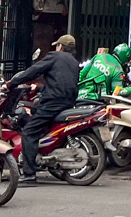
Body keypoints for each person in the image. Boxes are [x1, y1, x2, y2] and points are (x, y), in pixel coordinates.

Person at [5, 34, 81, 184]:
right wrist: (40, 88)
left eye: (57, 45)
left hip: (53, 102)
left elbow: (33, 71)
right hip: (67, 101)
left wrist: (11, 83)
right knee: (34, 111)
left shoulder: (54, 56)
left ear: (61, 46)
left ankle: (29, 173)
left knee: (29, 132)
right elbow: (61, 83)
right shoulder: (73, 62)